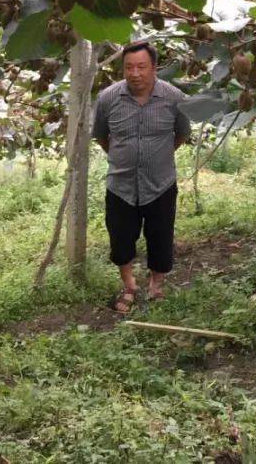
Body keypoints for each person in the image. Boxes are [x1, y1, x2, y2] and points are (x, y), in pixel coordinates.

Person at [92, 41, 192, 312]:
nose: (135, 73)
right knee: (121, 237)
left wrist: (158, 155)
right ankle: (128, 284)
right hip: (121, 184)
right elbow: (101, 135)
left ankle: (156, 285)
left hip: (160, 183)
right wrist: (122, 155)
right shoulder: (108, 98)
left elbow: (182, 133)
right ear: (123, 68)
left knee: (160, 236)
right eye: (129, 67)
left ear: (154, 67)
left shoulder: (174, 98)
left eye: (141, 67)